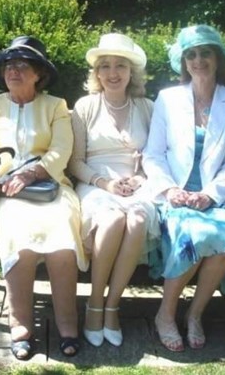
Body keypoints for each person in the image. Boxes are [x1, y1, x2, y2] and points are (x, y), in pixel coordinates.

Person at [0, 36, 89, 360]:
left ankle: (67, 321)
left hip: (51, 189)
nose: (13, 71)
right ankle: (20, 324)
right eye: (9, 65)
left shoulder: (55, 106)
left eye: (22, 65)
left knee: (62, 233)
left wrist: (31, 174)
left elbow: (61, 151)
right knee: (18, 235)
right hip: (5, 194)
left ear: (38, 74)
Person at [142, 24, 225, 352]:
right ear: (183, 61)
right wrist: (170, 190)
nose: (198, 59)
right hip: (174, 196)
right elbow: (153, 154)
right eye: (191, 54)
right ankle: (165, 315)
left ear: (218, 58)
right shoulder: (167, 98)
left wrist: (210, 194)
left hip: (212, 197)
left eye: (205, 52)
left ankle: (194, 315)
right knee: (193, 235)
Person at [68, 33, 160, 347]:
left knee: (135, 220)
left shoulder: (148, 107)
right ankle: (94, 304)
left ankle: (112, 306)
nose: (112, 72)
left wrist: (141, 180)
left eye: (120, 65)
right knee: (112, 220)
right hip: (96, 184)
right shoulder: (85, 106)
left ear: (132, 72)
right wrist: (105, 183)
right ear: (96, 74)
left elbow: (159, 156)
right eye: (104, 66)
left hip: (138, 185)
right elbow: (75, 162)